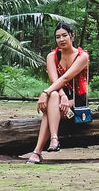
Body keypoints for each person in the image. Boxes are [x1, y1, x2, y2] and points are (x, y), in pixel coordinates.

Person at [22, 22, 89, 164]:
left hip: (77, 102)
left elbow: (65, 78)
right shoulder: (51, 56)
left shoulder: (82, 56)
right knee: (53, 95)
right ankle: (53, 139)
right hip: (59, 97)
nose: (61, 39)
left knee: (49, 106)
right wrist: (61, 95)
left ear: (72, 36)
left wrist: (44, 93)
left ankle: (38, 151)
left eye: (65, 35)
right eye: (58, 37)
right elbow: (55, 81)